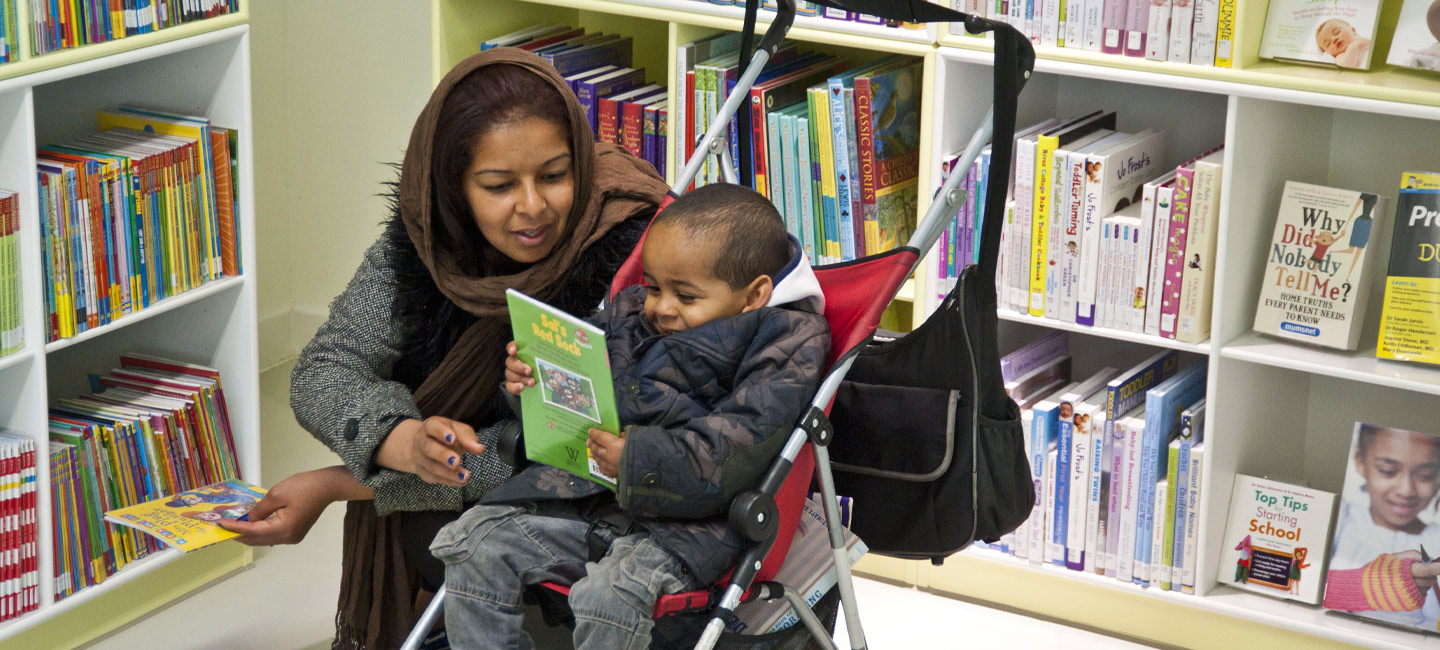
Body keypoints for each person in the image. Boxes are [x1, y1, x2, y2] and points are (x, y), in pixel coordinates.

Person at [219, 47, 670, 649]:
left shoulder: (635, 251)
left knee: (436, 525)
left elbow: (561, 460)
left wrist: (338, 482)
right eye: (498, 185)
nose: (533, 206)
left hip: (608, 504)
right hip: (501, 483)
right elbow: (325, 369)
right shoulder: (423, 244)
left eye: (555, 175)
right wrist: (398, 439)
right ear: (453, 188)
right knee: (434, 527)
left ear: (582, 165)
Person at [430, 183, 831, 649]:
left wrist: (638, 456)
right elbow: (581, 394)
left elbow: (739, 446)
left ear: (755, 293)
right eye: (654, 286)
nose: (660, 306)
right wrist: (532, 383)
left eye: (685, 296)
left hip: (688, 529)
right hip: (586, 500)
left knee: (609, 595)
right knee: (472, 541)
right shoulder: (631, 310)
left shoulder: (787, 340)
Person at [1324, 425, 1440, 630]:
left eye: (1425, 476)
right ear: (1360, 463)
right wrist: (1368, 586)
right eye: (1388, 471)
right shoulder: (1340, 518)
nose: (1406, 490)